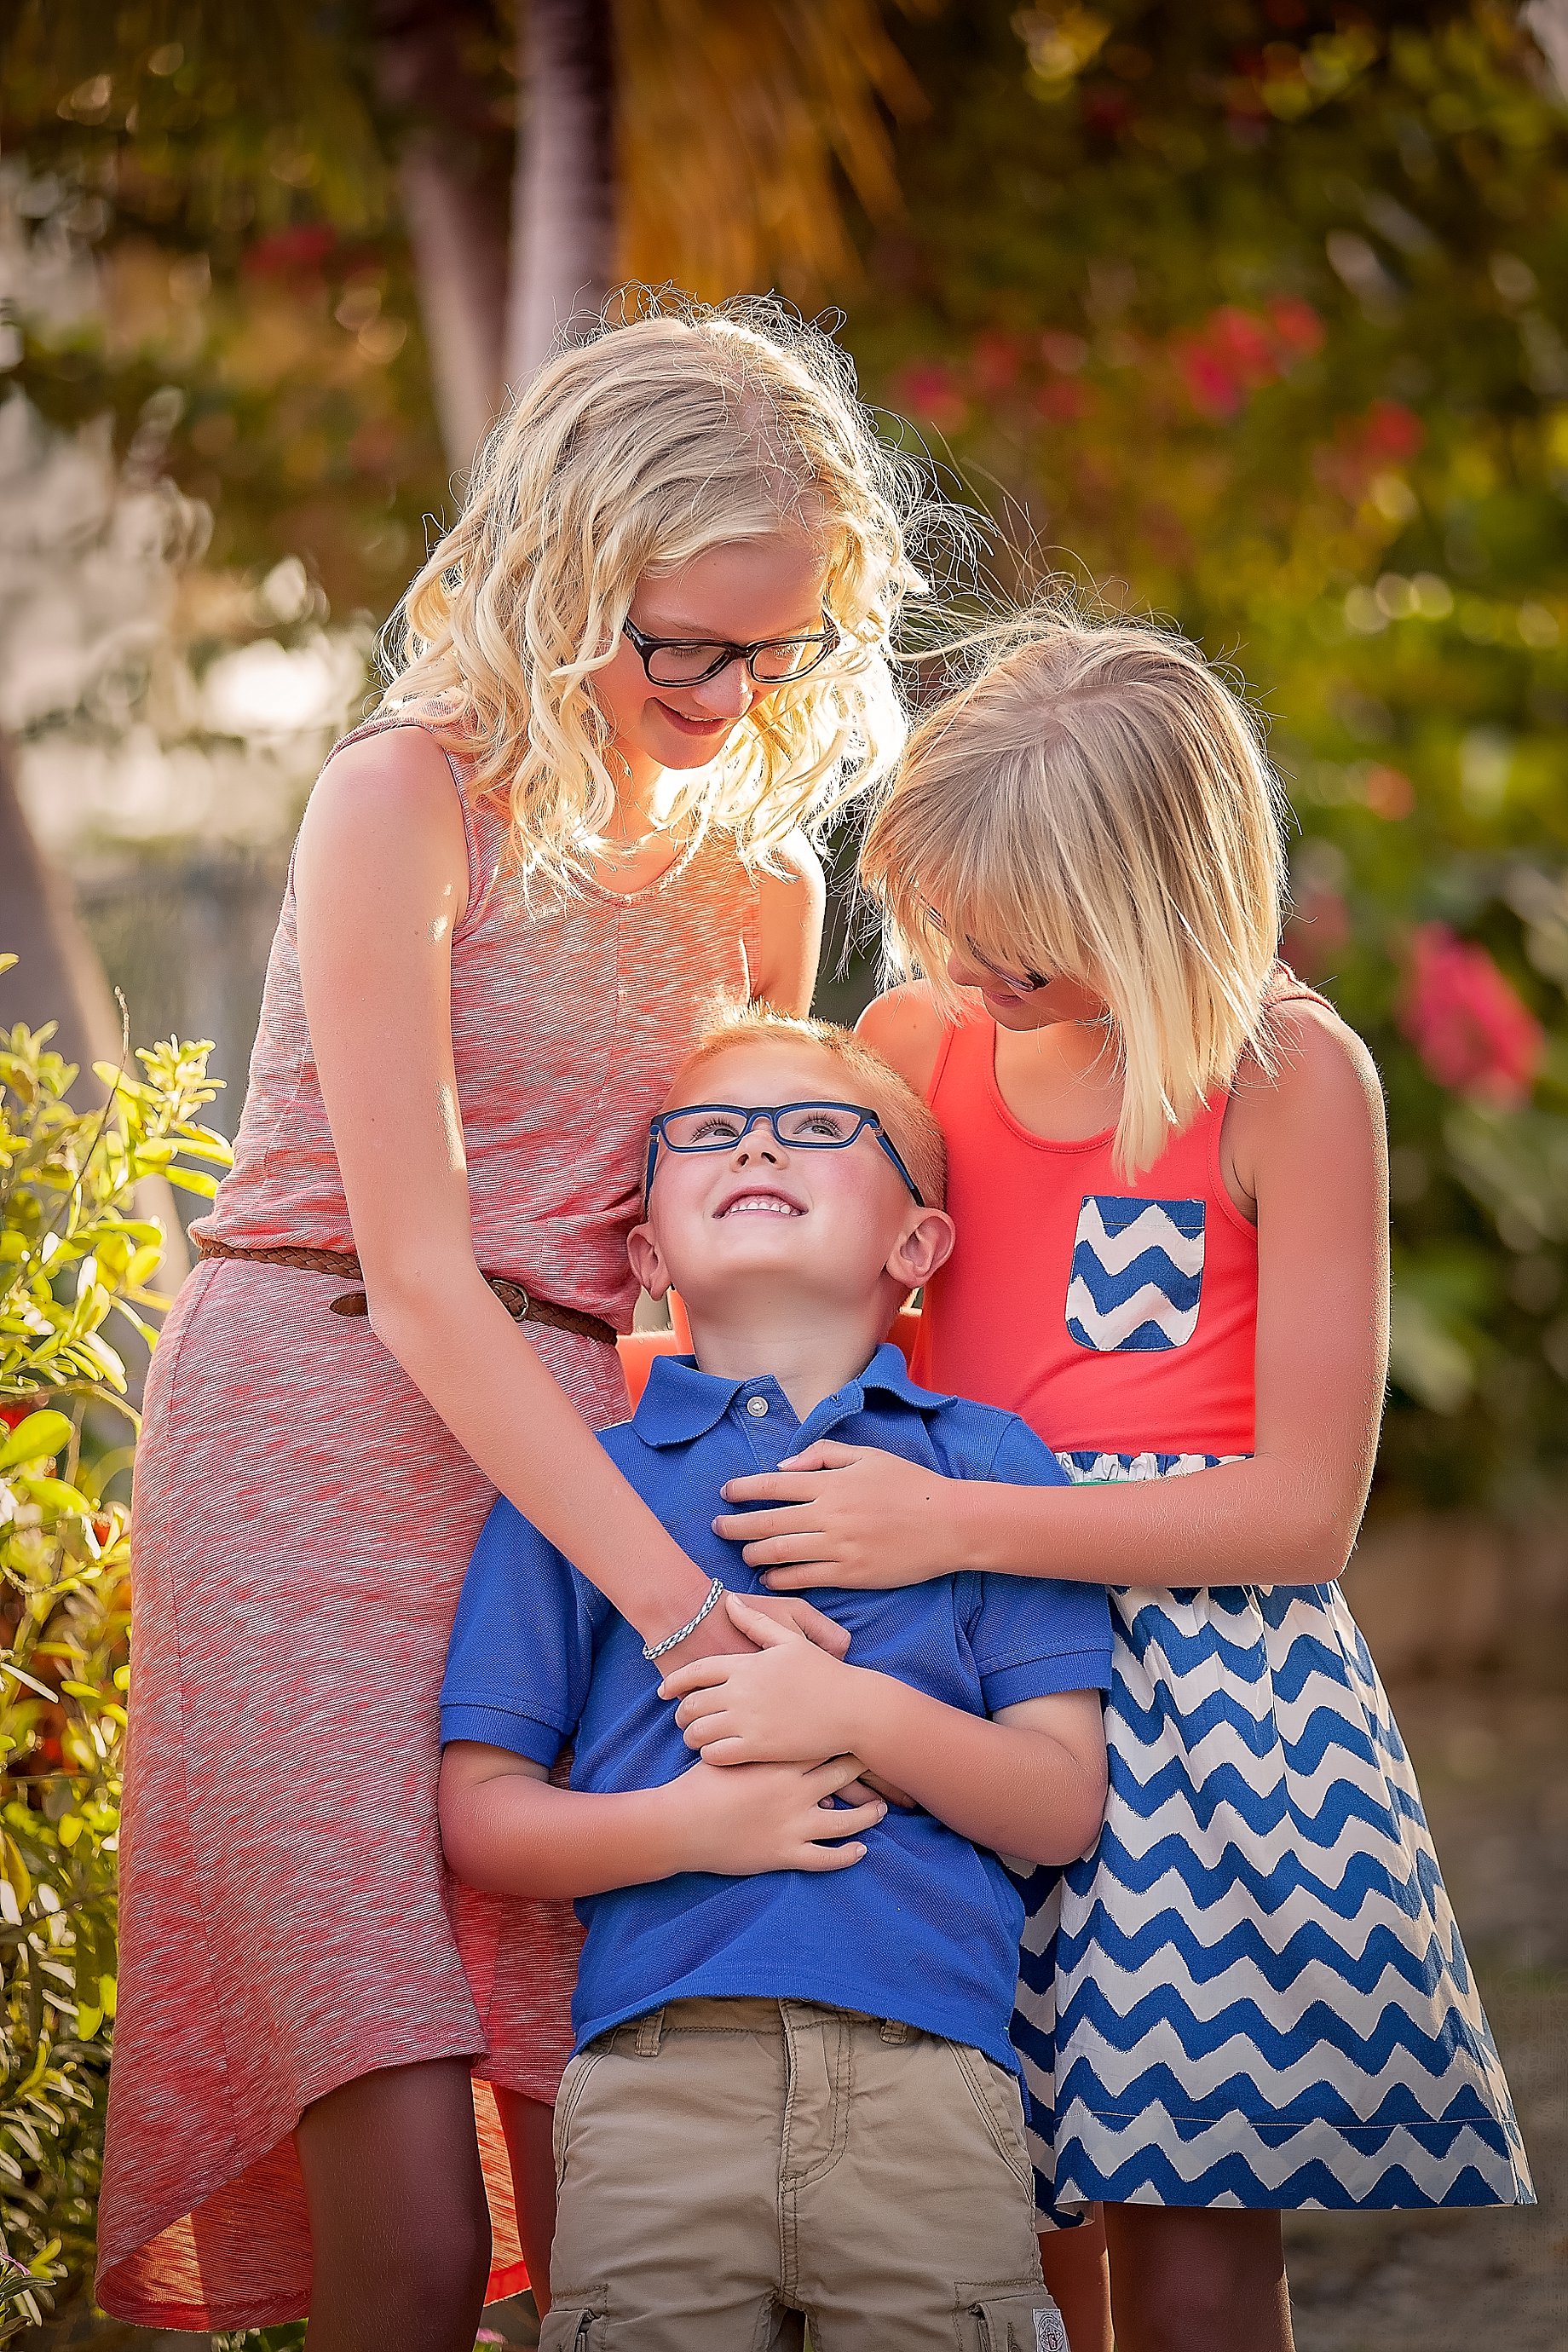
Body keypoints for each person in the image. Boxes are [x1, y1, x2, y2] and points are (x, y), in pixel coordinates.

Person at [96, 298, 942, 2350]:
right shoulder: (406, 797)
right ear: (568, 572)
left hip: (571, 1469)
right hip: (313, 1428)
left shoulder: (756, 879)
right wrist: (680, 1613)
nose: (733, 699)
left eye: (781, 650)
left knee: (612, 2178)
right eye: (686, 645)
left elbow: (731, 1271)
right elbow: (412, 1269)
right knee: (397, 2217)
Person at [710, 614, 1535, 2352]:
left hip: (1203, 1702)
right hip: (951, 1671)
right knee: (976, 2189)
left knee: (1188, 2225)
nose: (974, 975)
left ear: (1164, 898)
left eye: (1026, 953)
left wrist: (954, 1520)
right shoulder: (923, 1040)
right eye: (954, 931)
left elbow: (1296, 1513)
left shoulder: (1287, 1080)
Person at [438, 1010, 1114, 2352]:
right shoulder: (582, 1494)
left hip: (933, 2076)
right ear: (644, 1252)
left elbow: (1059, 1805)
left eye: (815, 1126)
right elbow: (481, 1818)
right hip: (652, 2086)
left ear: (915, 1244)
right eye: (705, 1131)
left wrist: (851, 1711)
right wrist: (698, 1826)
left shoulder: (988, 1470)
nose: (755, 1142)